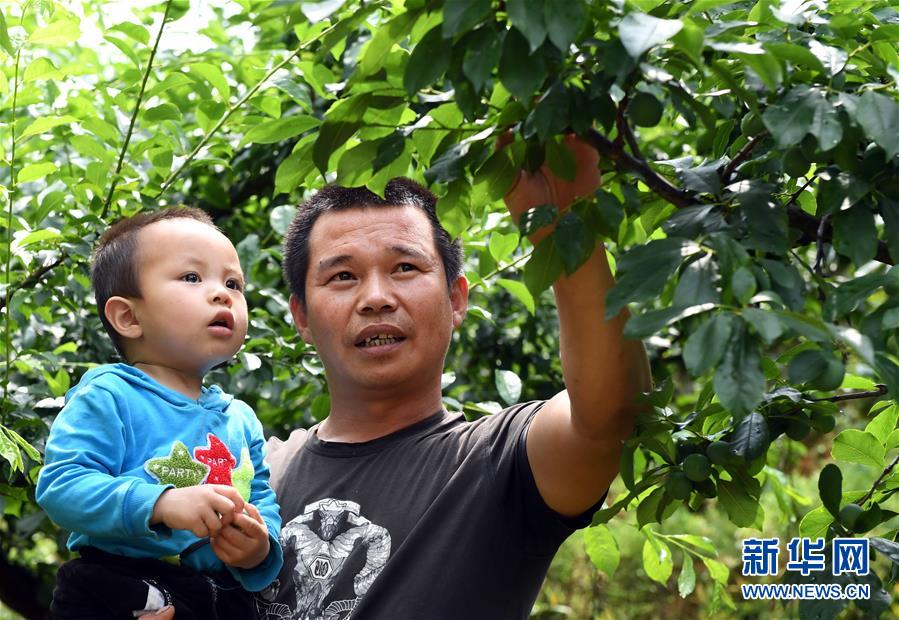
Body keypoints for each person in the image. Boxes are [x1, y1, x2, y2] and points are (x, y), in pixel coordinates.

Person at [256, 135, 651, 619]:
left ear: (457, 298)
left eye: (405, 267)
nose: (375, 297)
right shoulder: (258, 474)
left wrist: (565, 226)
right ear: (301, 316)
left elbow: (608, 413)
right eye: (342, 276)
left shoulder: (498, 465)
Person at [36, 208, 283, 619]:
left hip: (216, 594)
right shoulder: (110, 395)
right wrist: (160, 503)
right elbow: (63, 486)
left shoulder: (239, 418)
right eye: (191, 277)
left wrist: (260, 546)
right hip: (117, 584)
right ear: (129, 317)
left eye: (233, 283)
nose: (222, 293)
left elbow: (259, 496)